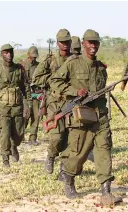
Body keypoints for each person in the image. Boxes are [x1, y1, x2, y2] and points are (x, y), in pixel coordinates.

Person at [50, 29, 121, 206]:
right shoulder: (73, 63)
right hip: (80, 116)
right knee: (78, 153)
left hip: (100, 116)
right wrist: (75, 92)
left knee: (104, 150)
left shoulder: (100, 68)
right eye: (90, 42)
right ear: (83, 44)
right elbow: (55, 82)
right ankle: (68, 176)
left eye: (96, 42)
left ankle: (106, 191)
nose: (93, 46)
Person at [32, 29, 72, 174]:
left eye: (67, 42)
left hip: (71, 101)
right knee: (56, 136)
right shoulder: (50, 60)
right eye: (62, 42)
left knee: (70, 137)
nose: (65, 45)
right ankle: (51, 156)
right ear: (57, 43)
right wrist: (53, 79)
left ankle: (64, 169)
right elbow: (36, 79)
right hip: (54, 102)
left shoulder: (75, 60)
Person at [0, 44, 31, 168]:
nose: (9, 55)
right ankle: (5, 158)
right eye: (6, 53)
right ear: (2, 54)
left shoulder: (19, 70)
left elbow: (26, 89)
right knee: (5, 134)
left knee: (18, 135)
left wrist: (28, 105)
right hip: (3, 109)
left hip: (18, 108)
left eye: (11, 52)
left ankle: (14, 146)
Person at [22, 46, 40, 146]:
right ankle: (20, 136)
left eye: (35, 57)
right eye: (32, 56)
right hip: (25, 95)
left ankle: (33, 138)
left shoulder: (39, 66)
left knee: (36, 117)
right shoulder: (22, 65)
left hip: (36, 95)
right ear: (28, 55)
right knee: (25, 116)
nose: (33, 58)